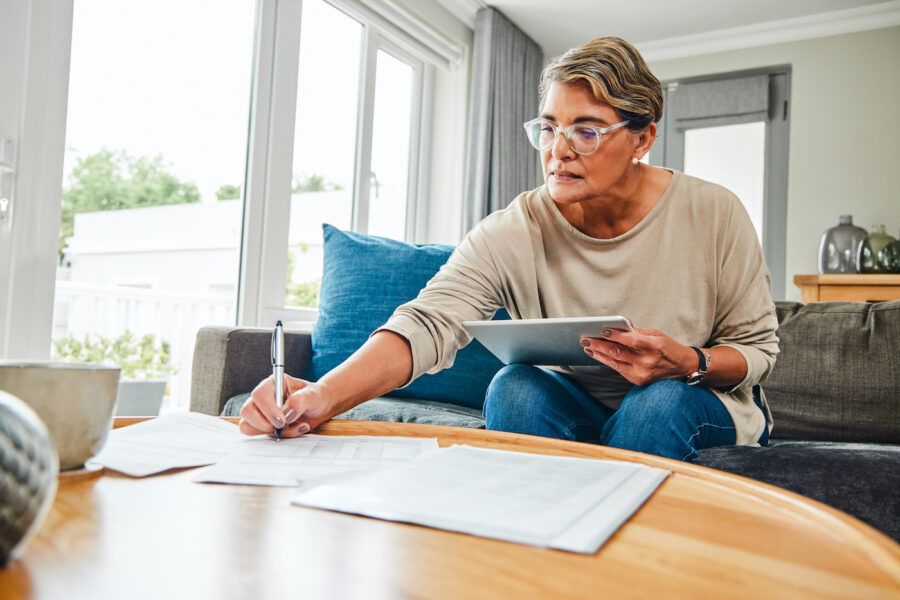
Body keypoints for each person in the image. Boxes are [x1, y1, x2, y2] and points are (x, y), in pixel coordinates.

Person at [239, 36, 779, 461]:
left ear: (642, 138)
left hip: (695, 402)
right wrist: (321, 396)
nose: (557, 151)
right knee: (514, 387)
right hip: (579, 404)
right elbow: (429, 322)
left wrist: (687, 361)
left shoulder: (714, 212)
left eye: (586, 131)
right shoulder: (516, 228)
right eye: (548, 128)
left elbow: (757, 353)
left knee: (656, 404)